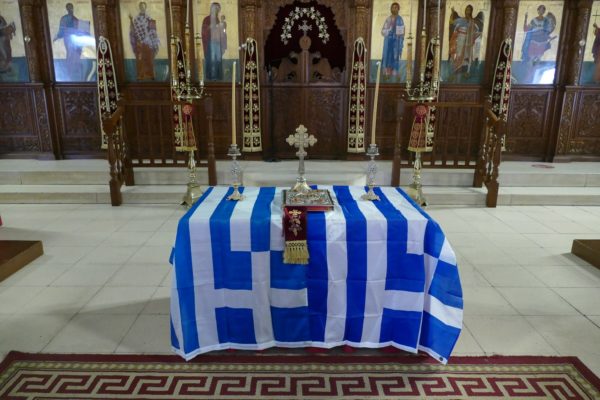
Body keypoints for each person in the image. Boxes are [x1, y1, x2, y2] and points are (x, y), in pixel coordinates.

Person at [448, 5, 484, 76]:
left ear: (471, 11)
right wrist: (452, 13)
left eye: (469, 10)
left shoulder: (473, 21)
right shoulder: (461, 20)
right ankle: (457, 69)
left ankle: (466, 71)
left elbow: (477, 30)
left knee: (467, 55)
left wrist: (474, 35)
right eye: (466, 10)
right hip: (460, 39)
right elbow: (453, 24)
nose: (467, 11)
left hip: (468, 41)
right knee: (459, 53)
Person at [129, 2, 160, 80]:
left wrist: (152, 38)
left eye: (144, 7)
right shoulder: (136, 19)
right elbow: (133, 31)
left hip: (148, 43)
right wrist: (131, 20)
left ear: (145, 8)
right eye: (141, 7)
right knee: (140, 59)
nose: (142, 8)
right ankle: (140, 76)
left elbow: (153, 31)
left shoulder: (149, 19)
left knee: (149, 58)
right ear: (139, 8)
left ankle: (150, 75)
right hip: (140, 43)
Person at [54, 3, 84, 80]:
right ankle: (69, 73)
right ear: (67, 9)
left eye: (72, 8)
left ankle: (75, 72)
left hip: (75, 40)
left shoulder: (75, 19)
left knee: (76, 55)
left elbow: (79, 30)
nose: (71, 9)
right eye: (69, 8)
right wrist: (57, 36)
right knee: (71, 54)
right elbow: (62, 30)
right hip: (69, 39)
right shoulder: (64, 18)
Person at [202, 2, 227, 81]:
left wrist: (223, 27)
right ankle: (212, 77)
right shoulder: (206, 19)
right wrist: (211, 26)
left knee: (218, 60)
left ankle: (218, 77)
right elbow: (204, 31)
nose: (216, 10)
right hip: (211, 43)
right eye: (215, 8)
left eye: (217, 9)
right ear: (211, 9)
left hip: (217, 43)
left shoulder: (217, 19)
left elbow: (221, 32)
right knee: (212, 59)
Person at [380, 2, 404, 79]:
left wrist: (401, 34)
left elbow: (402, 32)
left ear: (398, 9)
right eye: (393, 7)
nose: (394, 9)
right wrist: (388, 30)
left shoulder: (400, 20)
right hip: (388, 41)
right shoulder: (388, 19)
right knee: (388, 56)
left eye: (396, 7)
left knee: (395, 56)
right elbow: (383, 31)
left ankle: (394, 72)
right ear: (391, 9)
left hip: (396, 42)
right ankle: (387, 73)